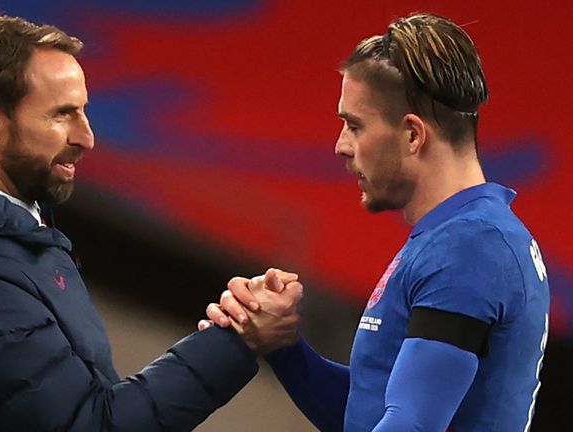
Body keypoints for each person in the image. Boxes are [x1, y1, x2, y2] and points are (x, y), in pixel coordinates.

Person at [0, 15, 303, 431]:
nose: (87, 137)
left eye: (82, 110)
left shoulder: (15, 228)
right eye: (63, 114)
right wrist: (238, 339)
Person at [202, 12, 550, 432]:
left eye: (354, 125)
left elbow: (412, 425)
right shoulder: (460, 236)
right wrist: (282, 344)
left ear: (412, 136)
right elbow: (370, 413)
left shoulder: (471, 245)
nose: (340, 147)